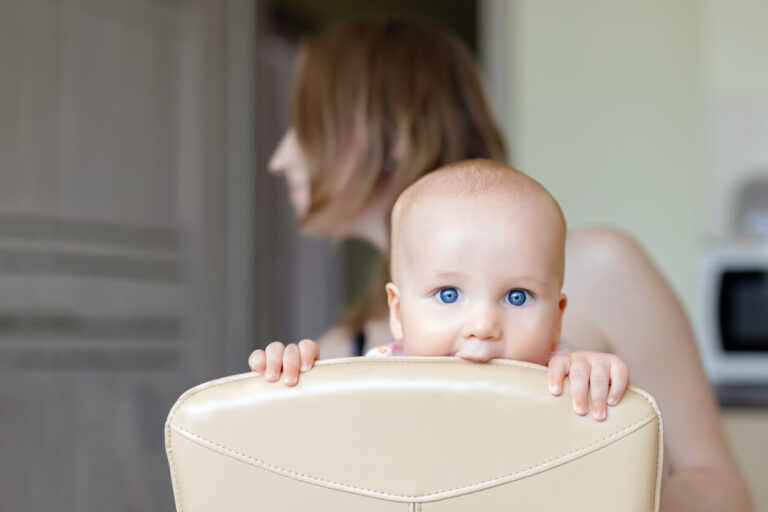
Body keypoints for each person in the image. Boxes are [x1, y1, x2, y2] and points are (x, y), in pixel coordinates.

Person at [252, 19, 752, 511]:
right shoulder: (344, 352)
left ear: (389, 137)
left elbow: (725, 492)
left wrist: (610, 463)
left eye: (305, 127)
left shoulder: (601, 269)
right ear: (397, 308)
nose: (280, 157)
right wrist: (282, 404)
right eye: (447, 294)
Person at [255, 159, 632, 423]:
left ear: (556, 318)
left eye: (517, 296)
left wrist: (598, 384)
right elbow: (317, 458)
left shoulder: (564, 378)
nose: (483, 325)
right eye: (448, 294)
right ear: (398, 314)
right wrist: (294, 385)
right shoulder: (372, 380)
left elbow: (610, 462)